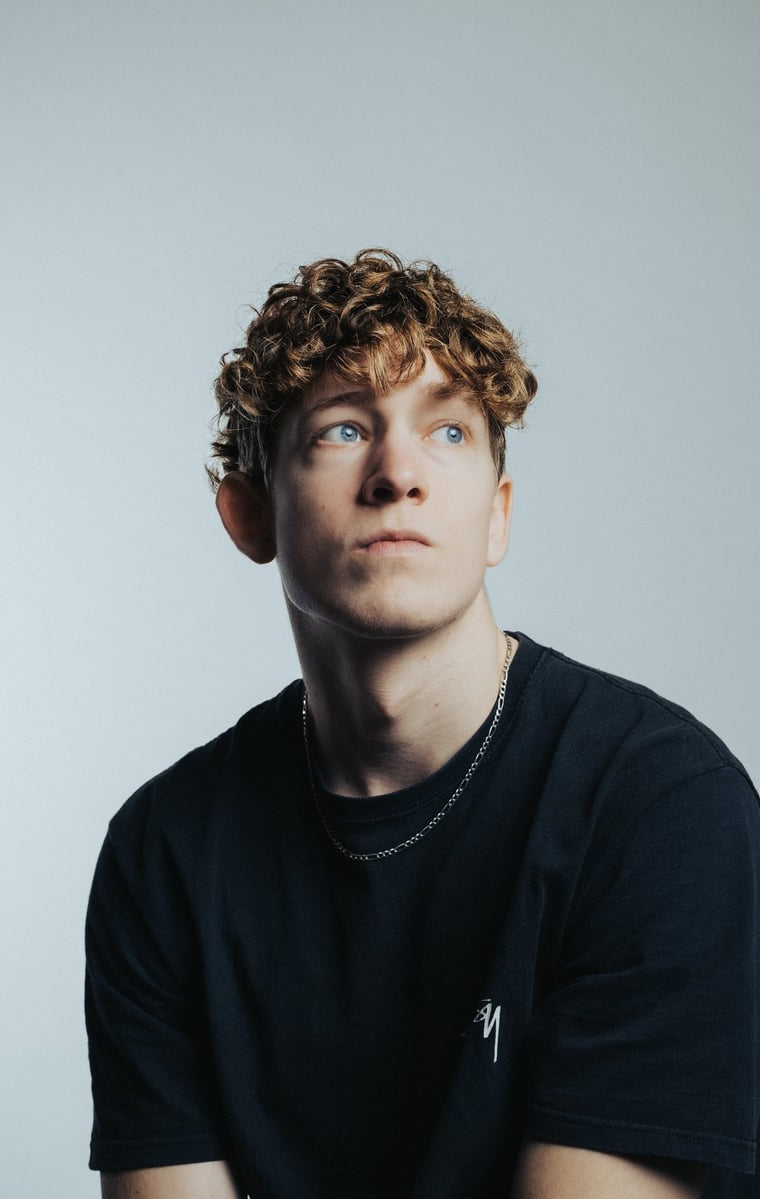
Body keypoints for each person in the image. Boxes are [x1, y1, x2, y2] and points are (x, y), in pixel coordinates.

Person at [85, 249, 760, 1199]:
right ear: (248, 513)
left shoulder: (660, 807)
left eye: (447, 430)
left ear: (497, 515)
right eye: (342, 428)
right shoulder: (166, 850)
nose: (397, 472)